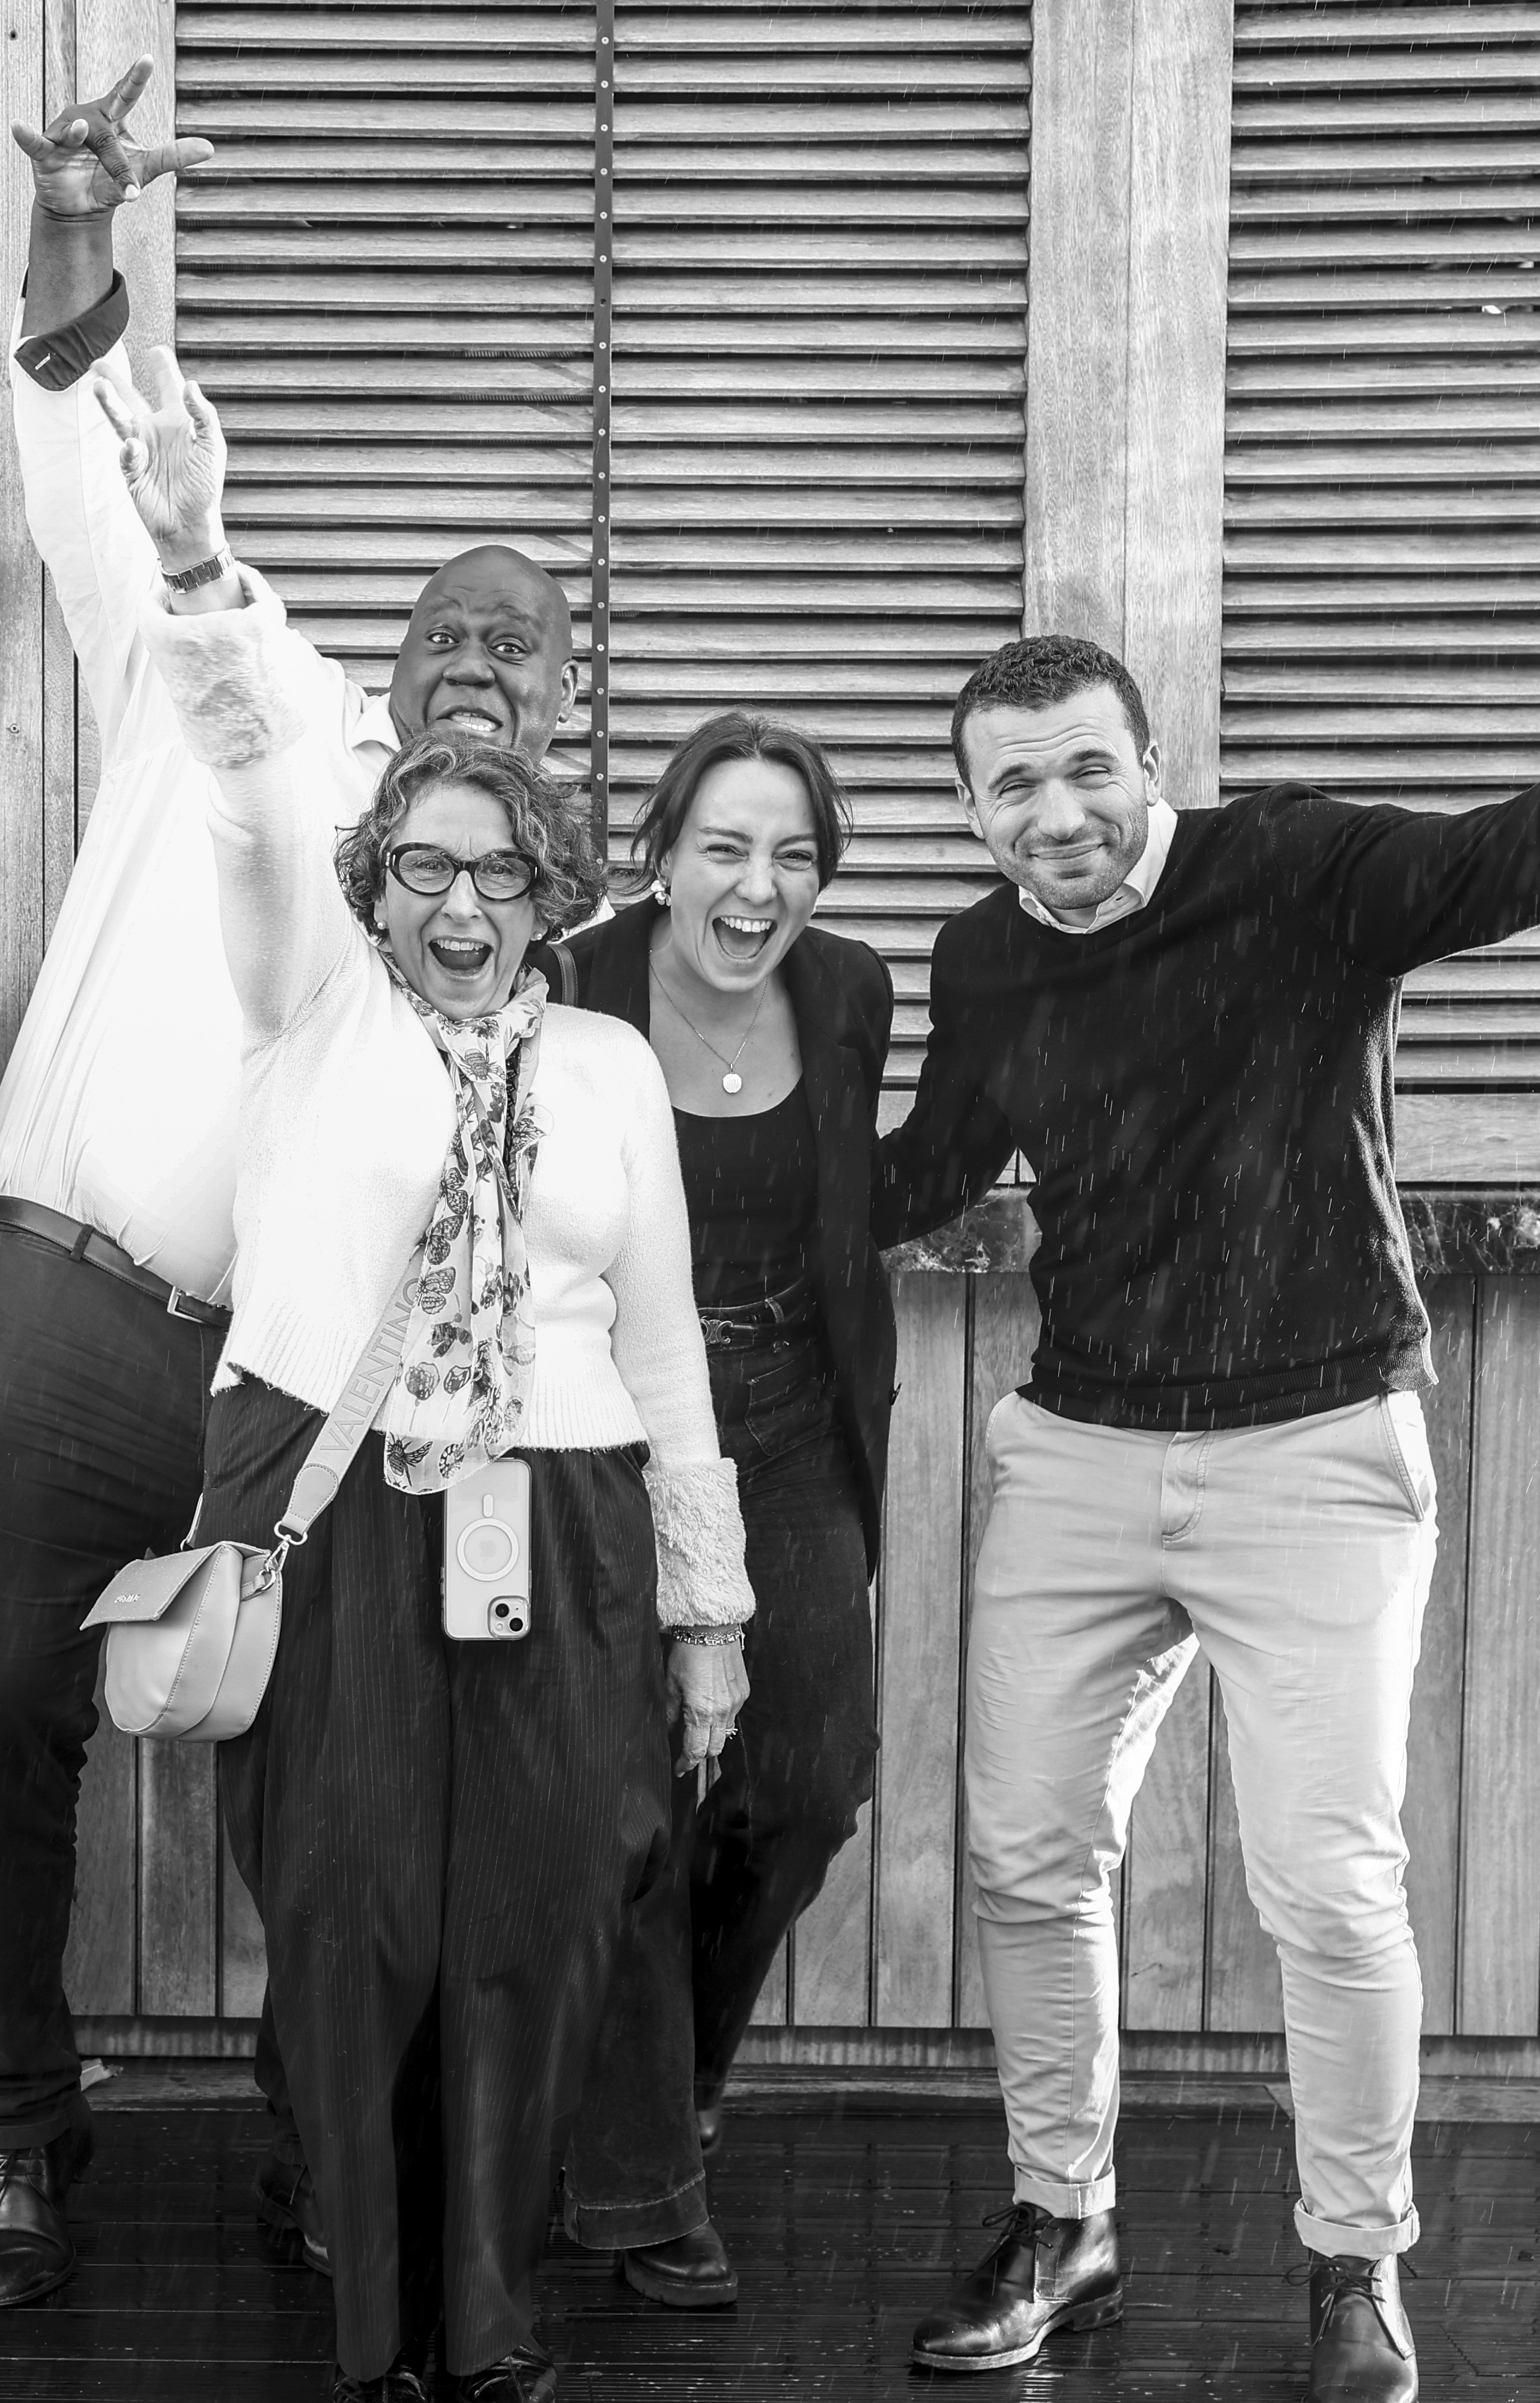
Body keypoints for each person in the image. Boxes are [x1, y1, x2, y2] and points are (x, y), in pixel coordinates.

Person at [878, 500, 1540, 2403]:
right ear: (972, 812)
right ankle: (1063, 2221)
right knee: (1027, 1854)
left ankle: (1358, 2264)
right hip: (1081, 1452)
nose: (1057, 813)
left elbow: (1525, 859)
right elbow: (925, 1174)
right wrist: (687, 1132)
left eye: (1087, 769)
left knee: (1330, 1889)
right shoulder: (982, 959)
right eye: (1013, 786)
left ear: (1149, 763)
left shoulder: (1299, 868)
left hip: (1319, 1446)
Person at [0, 60, 593, 2310]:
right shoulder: (245, 688)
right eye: (451, 628)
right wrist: (76, 229)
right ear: (396, 650)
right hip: (60, 1310)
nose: (476, 659)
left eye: (519, 642)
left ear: (562, 698)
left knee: (317, 1776)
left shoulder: (531, 919)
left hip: (305, 1393)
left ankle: (325, 2155)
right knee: (1, 1726)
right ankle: (23, 2140)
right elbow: (85, 466)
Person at [126, 422, 756, 2396]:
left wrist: (708, 1611)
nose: (459, 905)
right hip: (328, 1491)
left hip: (560, 1506)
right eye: (421, 868)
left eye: (496, 872)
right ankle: (370, 2321)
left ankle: (487, 2318)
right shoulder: (313, 1011)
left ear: (549, 889)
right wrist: (197, 562)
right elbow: (249, 794)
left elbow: (665, 1346)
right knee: (349, 1913)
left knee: (543, 1914)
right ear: (374, 888)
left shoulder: (612, 1069)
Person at [554, 712, 896, 2309]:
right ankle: (645, 2171)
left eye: (796, 855)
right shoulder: (573, 981)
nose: (759, 889)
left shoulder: (850, 991)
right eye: (727, 848)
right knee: (631, 1802)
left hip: (793, 1417)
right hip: (610, 1418)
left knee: (807, 1786)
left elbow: (861, 1195)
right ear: (665, 853)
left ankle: (675, 2078)